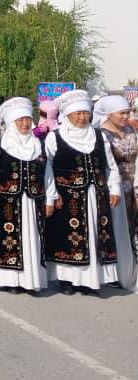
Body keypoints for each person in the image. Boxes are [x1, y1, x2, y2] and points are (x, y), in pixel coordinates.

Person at [44, 89, 121, 294]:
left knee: (95, 235)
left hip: (96, 195)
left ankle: (90, 280)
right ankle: (67, 280)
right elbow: (47, 168)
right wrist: (51, 195)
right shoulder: (55, 137)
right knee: (67, 236)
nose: (82, 117)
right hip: (67, 198)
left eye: (86, 113)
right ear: (68, 115)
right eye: (78, 113)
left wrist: (114, 188)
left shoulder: (99, 136)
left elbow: (110, 165)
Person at [0, 97, 47, 294]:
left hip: (33, 200)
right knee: (8, 237)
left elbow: (48, 173)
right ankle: (10, 280)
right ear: (12, 122)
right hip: (7, 200)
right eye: (20, 120)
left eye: (28, 119)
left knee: (33, 237)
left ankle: (31, 279)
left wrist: (51, 197)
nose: (25, 123)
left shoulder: (38, 144)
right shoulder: (1, 145)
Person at [94, 94, 137, 290]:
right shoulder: (100, 134)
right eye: (121, 113)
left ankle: (130, 267)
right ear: (109, 114)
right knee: (114, 229)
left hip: (133, 184)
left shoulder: (131, 130)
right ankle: (114, 272)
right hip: (113, 187)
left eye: (127, 112)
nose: (126, 117)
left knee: (132, 227)